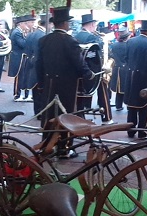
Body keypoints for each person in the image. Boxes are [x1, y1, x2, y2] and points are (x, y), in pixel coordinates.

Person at [36, 7, 94, 158]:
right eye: (68, 22)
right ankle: (64, 148)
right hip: (66, 86)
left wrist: (41, 84)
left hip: (49, 84)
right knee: (66, 115)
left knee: (50, 116)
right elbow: (79, 63)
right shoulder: (70, 41)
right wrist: (90, 75)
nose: (69, 25)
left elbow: (39, 65)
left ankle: (47, 144)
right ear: (63, 24)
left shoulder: (44, 40)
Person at [74, 12, 115, 124]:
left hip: (81, 71)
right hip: (94, 70)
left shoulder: (76, 36)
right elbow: (97, 52)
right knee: (103, 94)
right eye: (95, 25)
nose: (95, 27)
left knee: (80, 97)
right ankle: (107, 118)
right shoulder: (91, 37)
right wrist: (104, 41)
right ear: (91, 24)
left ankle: (80, 118)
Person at [28, 15, 49, 113]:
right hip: (40, 65)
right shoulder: (43, 35)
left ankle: (37, 111)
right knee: (41, 91)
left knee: (35, 91)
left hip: (32, 64)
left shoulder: (33, 33)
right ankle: (41, 112)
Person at [10, 15, 34, 101]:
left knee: (23, 76)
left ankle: (22, 94)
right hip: (18, 57)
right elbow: (23, 44)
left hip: (22, 56)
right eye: (24, 23)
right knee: (18, 76)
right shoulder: (17, 32)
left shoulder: (20, 32)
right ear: (20, 24)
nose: (26, 25)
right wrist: (29, 36)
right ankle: (17, 95)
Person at [110, 31, 132, 111]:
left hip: (116, 68)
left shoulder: (114, 45)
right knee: (127, 88)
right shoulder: (128, 46)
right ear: (127, 37)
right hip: (125, 69)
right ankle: (128, 105)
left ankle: (118, 105)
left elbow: (111, 55)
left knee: (118, 89)